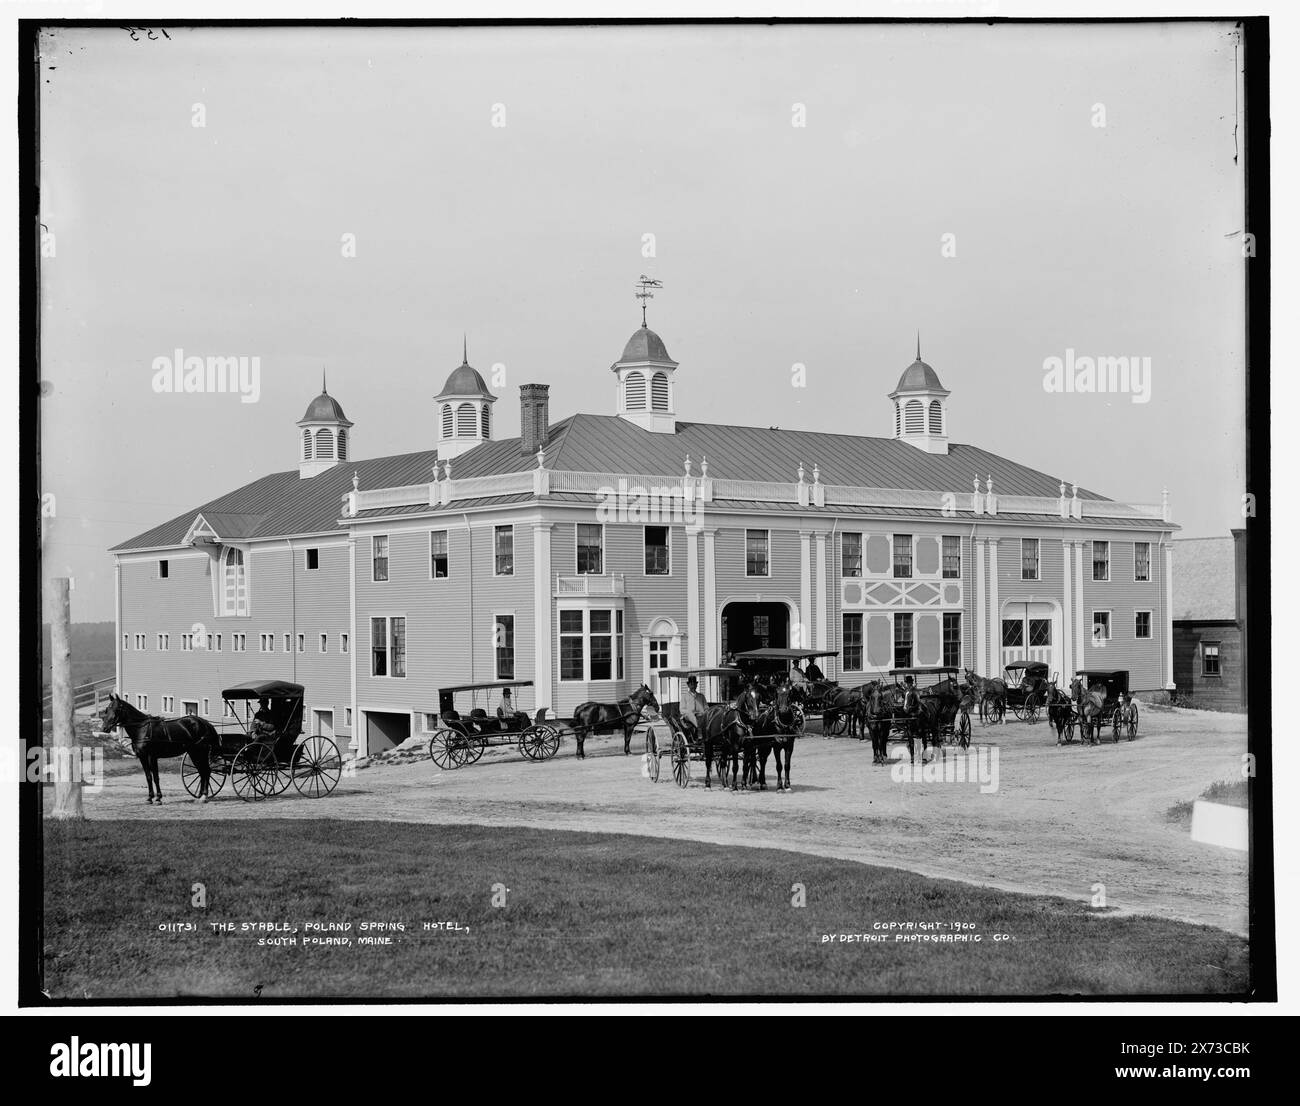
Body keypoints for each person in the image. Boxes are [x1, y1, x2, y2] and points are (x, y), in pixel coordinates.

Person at [680, 675, 709, 741]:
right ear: (688, 685)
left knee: (706, 715)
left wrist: (704, 712)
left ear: (696, 685)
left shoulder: (701, 696)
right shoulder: (684, 696)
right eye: (691, 684)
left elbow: (706, 707)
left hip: (701, 715)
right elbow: (682, 709)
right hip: (689, 716)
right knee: (691, 714)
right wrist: (690, 712)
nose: (693, 686)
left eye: (694, 684)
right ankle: (699, 730)